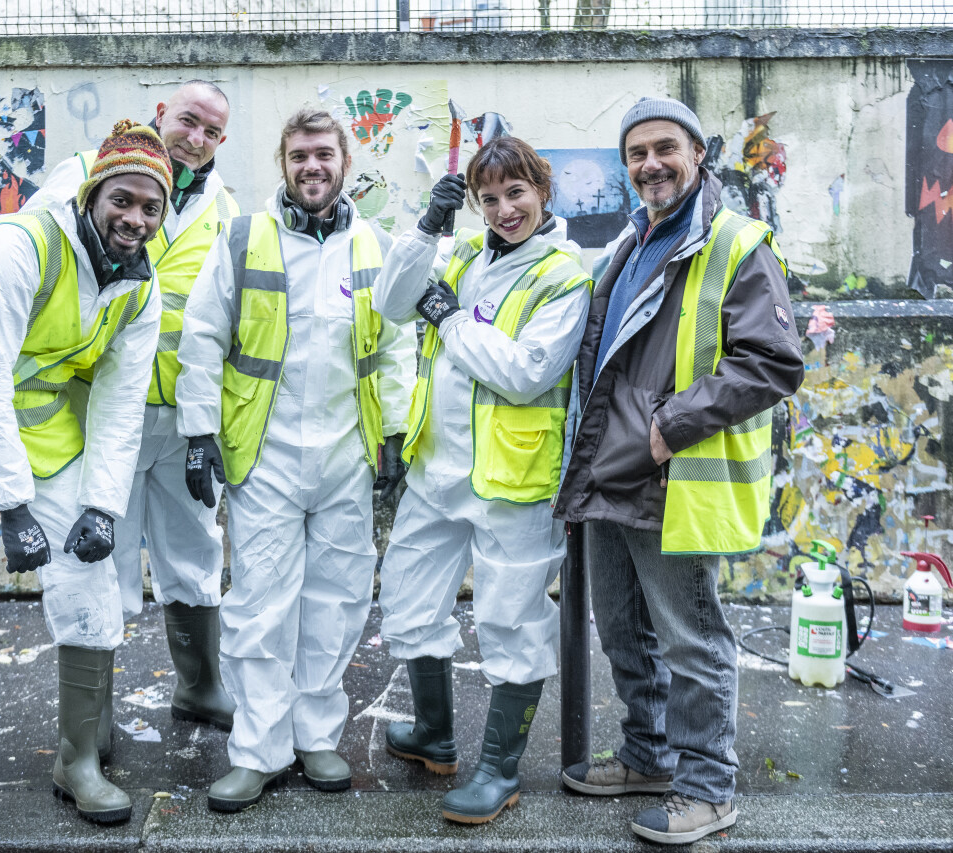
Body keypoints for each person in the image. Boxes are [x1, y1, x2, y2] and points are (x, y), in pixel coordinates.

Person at [0, 81, 239, 743]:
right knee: (105, 559)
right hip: (97, 408)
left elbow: (220, 318)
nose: (197, 139)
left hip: (176, 412)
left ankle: (200, 687)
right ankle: (96, 721)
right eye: (189, 121)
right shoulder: (87, 168)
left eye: (213, 132)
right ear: (162, 113)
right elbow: (15, 239)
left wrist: (204, 426)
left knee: (195, 549)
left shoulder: (224, 208)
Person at [0, 120, 171, 840]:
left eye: (151, 207)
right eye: (122, 200)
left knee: (91, 573)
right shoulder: (24, 248)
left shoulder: (141, 289)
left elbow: (119, 403)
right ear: (91, 195)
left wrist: (102, 506)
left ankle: (78, 762)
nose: (135, 219)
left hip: (38, 426)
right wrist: (12, 505)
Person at [553, 97, 804, 845]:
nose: (651, 164)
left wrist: (668, 429)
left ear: (698, 153)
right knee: (622, 628)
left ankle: (707, 788)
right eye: (636, 153)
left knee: (691, 640)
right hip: (611, 466)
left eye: (665, 147)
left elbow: (772, 362)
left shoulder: (734, 241)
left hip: (672, 473)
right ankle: (649, 755)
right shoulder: (632, 241)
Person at [175, 106, 415, 812]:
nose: (313, 167)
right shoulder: (245, 238)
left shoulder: (374, 246)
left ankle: (315, 736)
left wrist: (395, 434)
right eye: (300, 155)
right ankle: (258, 751)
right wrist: (199, 432)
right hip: (265, 456)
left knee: (336, 602)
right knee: (260, 608)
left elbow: (394, 347)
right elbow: (202, 335)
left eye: (324, 155)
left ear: (345, 163)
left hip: (347, 455)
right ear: (283, 164)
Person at [373, 137, 592, 824]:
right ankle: (434, 736)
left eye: (515, 193)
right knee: (408, 600)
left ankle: (499, 770)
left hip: (514, 481)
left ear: (542, 191)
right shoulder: (465, 253)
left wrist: (450, 318)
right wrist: (425, 229)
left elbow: (525, 373)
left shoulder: (564, 274)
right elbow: (391, 302)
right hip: (437, 467)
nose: (503, 210)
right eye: (488, 199)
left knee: (510, 620)